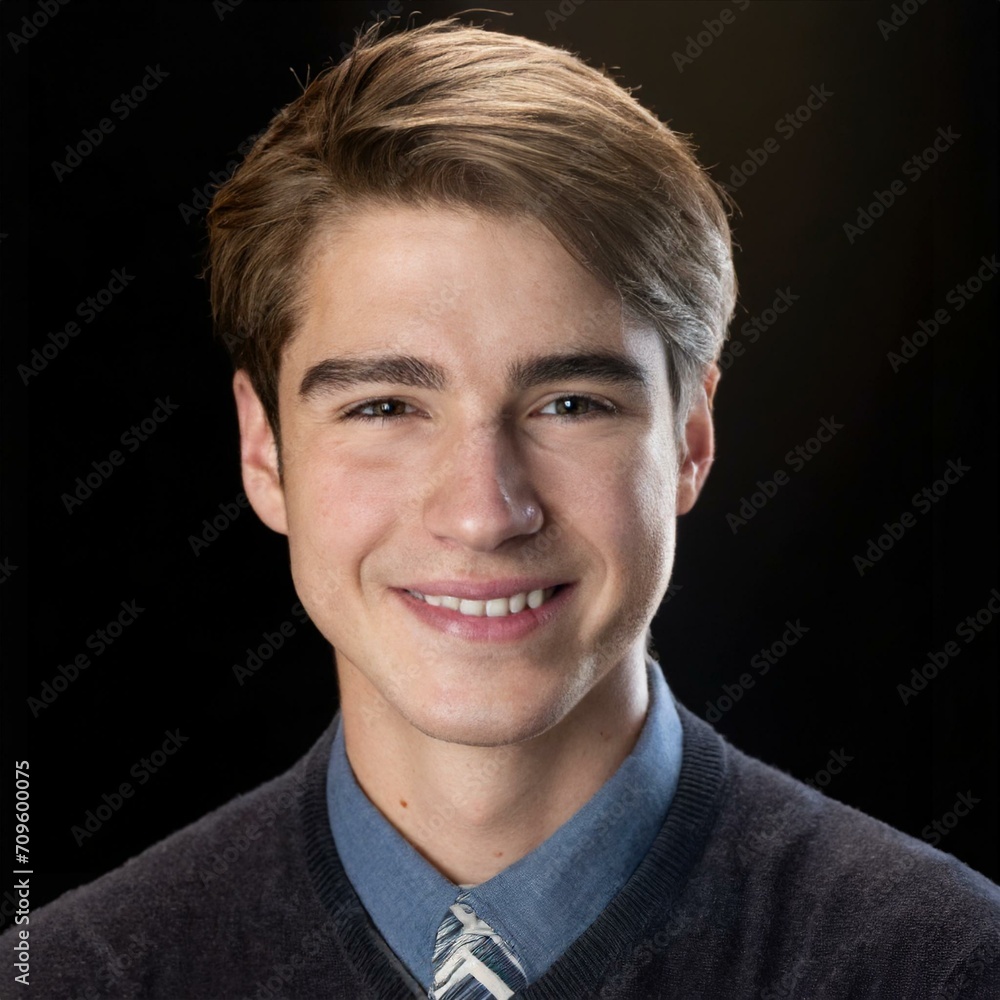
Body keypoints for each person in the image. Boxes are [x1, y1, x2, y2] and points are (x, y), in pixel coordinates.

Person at [6, 17, 998, 1000]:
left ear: (690, 437)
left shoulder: (942, 966)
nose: (484, 513)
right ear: (263, 448)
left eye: (569, 404)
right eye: (385, 406)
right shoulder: (77, 979)